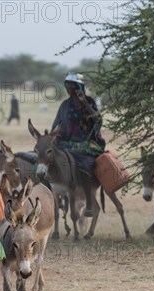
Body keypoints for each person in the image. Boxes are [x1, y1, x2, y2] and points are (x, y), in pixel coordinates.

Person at [51, 73, 105, 218]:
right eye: (67, 85)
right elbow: (57, 125)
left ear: (78, 87)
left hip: (86, 144)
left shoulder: (89, 102)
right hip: (66, 144)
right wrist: (51, 139)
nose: (69, 88)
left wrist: (86, 104)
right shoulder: (65, 105)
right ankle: (56, 198)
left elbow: (98, 120)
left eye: (72, 86)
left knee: (85, 165)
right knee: (46, 160)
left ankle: (88, 203)